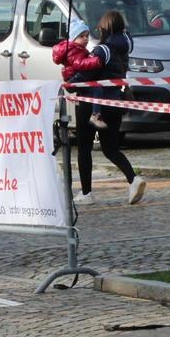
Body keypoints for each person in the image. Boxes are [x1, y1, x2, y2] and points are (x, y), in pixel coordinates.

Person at [66, 14, 147, 206]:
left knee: (84, 148)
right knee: (110, 148)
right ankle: (133, 179)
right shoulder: (123, 50)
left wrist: (70, 82)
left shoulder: (102, 50)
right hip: (115, 103)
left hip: (91, 104)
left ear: (105, 29)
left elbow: (87, 75)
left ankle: (86, 193)